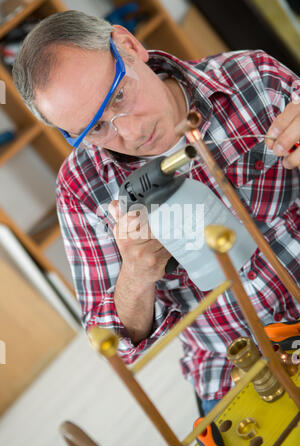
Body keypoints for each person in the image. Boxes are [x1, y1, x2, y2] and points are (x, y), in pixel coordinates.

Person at [12, 10, 300, 415]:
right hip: (236, 364)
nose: (130, 134)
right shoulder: (82, 188)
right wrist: (135, 275)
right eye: (97, 128)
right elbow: (113, 345)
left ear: (130, 46)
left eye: (119, 96)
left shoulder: (251, 76)